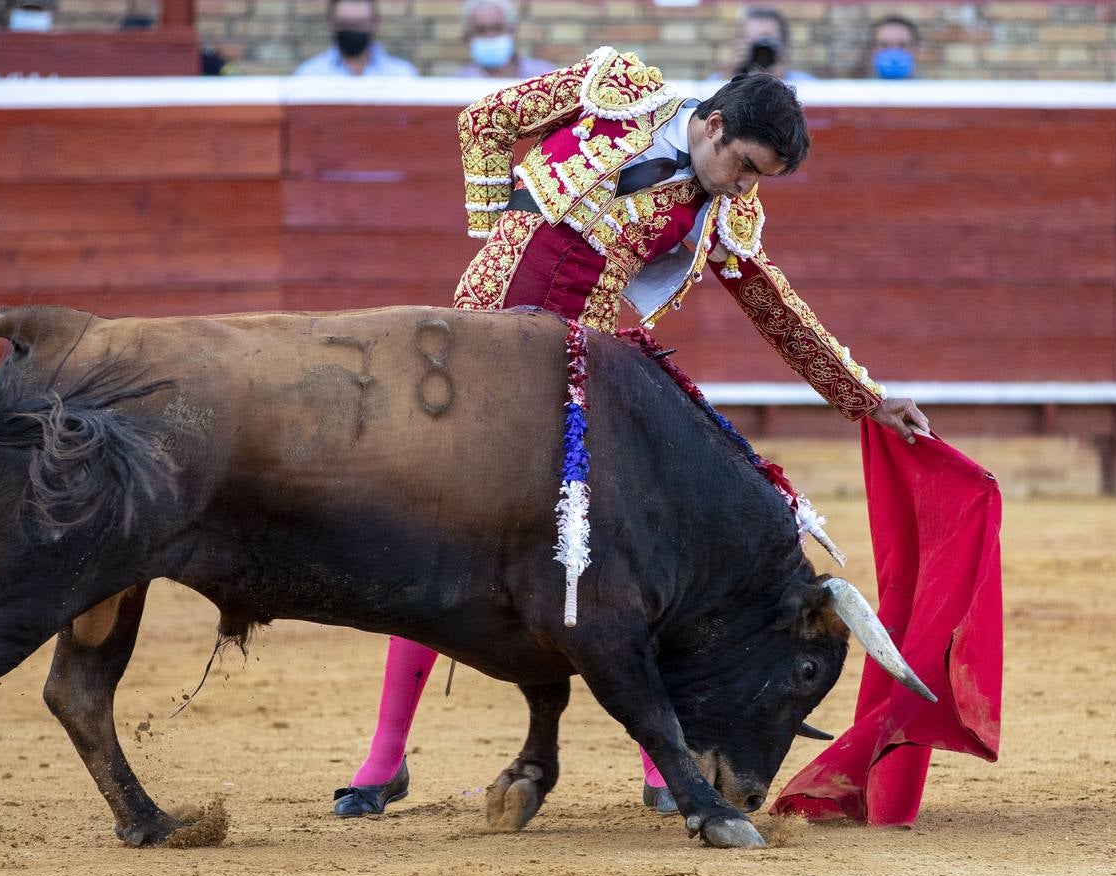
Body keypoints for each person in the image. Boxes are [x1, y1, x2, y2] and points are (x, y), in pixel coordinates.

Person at [333, 48, 930, 821]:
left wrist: (866, 398)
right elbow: (484, 121)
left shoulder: (728, 213)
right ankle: (384, 759)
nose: (746, 187)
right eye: (743, 166)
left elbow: (776, 310)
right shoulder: (617, 90)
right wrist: (498, 231)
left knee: (617, 553)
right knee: (439, 538)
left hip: (577, 369)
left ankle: (661, 759)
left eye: (759, 179)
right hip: (477, 346)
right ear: (714, 125)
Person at [293, 0, 418, 78]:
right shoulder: (308, 75)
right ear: (331, 23)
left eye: (359, 24)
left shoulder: (403, 75)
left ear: (375, 23)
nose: (352, 30)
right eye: (345, 24)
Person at [712, 7, 815, 82]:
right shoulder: (716, 82)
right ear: (739, 45)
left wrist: (781, 82)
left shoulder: (806, 84)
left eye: (767, 41)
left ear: (785, 46)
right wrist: (731, 74)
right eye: (752, 41)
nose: (760, 48)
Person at [456, 0, 552, 80]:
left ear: (512, 31)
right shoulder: (459, 83)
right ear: (468, 37)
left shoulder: (543, 76)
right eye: (481, 30)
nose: (490, 36)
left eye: (498, 28)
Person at [866, 15, 920, 79]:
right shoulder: (856, 88)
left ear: (915, 50)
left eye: (902, 45)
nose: (894, 53)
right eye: (884, 45)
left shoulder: (930, 88)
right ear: (872, 50)